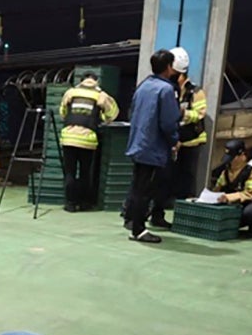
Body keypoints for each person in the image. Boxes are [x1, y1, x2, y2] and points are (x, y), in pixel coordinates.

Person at [123, 50, 182, 244]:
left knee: (138, 186)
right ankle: (139, 230)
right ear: (168, 67)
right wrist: (174, 141)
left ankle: (131, 221)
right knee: (145, 190)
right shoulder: (165, 90)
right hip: (153, 147)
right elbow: (168, 122)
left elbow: (133, 112)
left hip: (139, 143)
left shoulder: (143, 86)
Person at [159, 47, 209, 229]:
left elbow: (201, 114)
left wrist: (183, 113)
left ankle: (185, 212)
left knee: (187, 177)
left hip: (191, 141)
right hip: (173, 142)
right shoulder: (168, 90)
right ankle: (163, 206)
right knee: (168, 176)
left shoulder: (195, 92)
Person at [56, 69, 118, 213]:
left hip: (69, 138)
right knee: (85, 172)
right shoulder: (100, 95)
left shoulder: (71, 92)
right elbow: (113, 113)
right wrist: (102, 117)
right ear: (96, 81)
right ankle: (84, 203)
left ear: (81, 80)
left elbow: (62, 113)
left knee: (70, 172)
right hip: (87, 139)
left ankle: (70, 204)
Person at [208, 138, 252, 237]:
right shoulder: (227, 171)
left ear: (242, 155)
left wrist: (228, 197)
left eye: (232, 157)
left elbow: (249, 194)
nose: (230, 161)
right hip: (234, 203)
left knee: (250, 213)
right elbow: (217, 188)